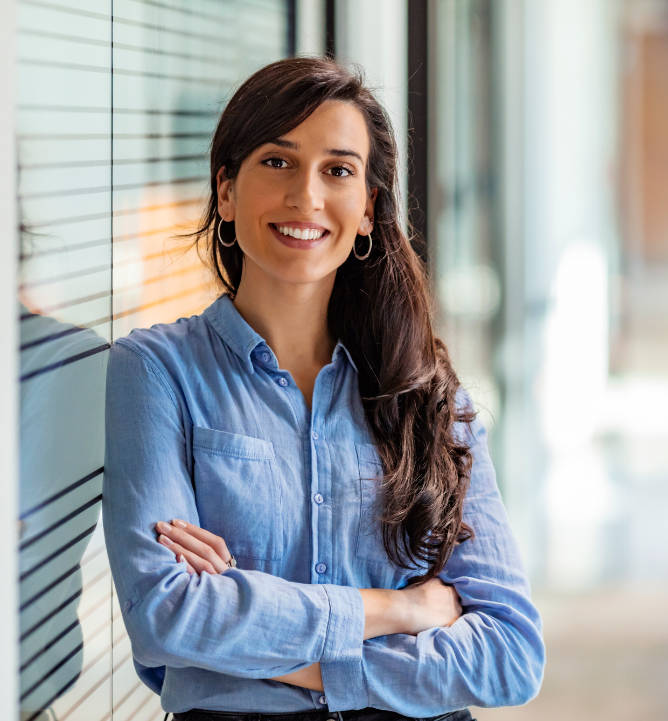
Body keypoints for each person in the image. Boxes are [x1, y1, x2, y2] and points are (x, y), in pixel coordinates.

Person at [102, 57, 544, 721]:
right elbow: (167, 615)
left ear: (367, 207)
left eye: (338, 169)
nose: (306, 196)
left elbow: (511, 652)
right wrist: (395, 608)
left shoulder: (426, 392)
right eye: (277, 162)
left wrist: (255, 633)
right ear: (225, 190)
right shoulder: (156, 371)